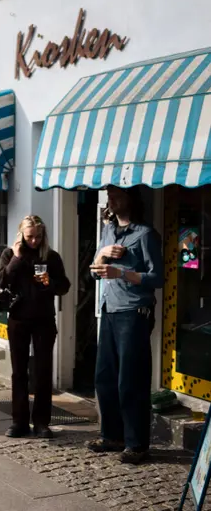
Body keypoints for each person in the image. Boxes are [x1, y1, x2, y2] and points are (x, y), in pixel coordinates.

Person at [88, 186, 163, 465]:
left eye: (116, 196)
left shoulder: (145, 234)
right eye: (109, 196)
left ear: (130, 199)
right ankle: (112, 436)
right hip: (108, 308)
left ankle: (136, 444)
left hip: (133, 312)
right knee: (104, 377)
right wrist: (102, 255)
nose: (111, 200)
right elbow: (95, 272)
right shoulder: (108, 231)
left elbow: (157, 278)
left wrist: (122, 273)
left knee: (131, 380)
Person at [0, 215, 70, 439]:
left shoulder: (51, 256)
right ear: (21, 235)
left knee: (43, 371)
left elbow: (64, 286)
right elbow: (1, 280)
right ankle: (19, 421)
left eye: (38, 236)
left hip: (44, 319)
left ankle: (41, 422)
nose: (34, 241)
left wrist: (49, 283)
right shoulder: (9, 254)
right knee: (19, 371)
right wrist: (17, 258)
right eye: (30, 237)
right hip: (18, 317)